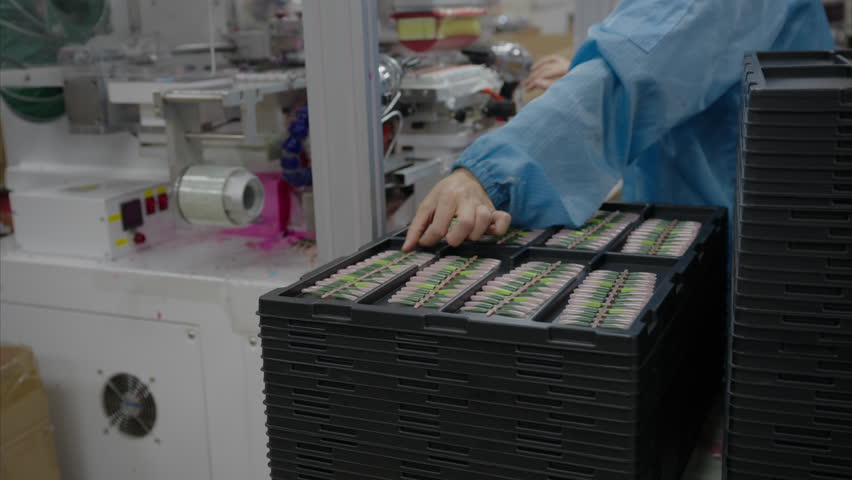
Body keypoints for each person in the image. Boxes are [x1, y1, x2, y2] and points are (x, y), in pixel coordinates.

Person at [402, 0, 833, 251]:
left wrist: (490, 175)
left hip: (741, 251)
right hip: (714, 227)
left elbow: (639, 70)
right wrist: (583, 67)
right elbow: (684, 52)